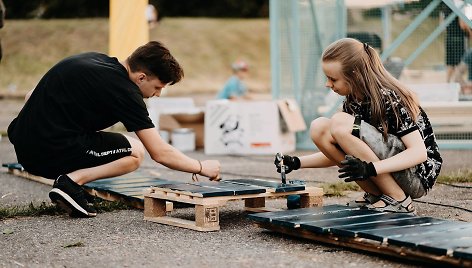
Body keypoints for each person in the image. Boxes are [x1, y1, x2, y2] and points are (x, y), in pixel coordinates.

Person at [8, 41, 221, 218]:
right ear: (141, 77)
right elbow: (159, 152)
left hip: (23, 144)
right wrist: (200, 166)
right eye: (158, 87)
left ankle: (68, 175)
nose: (157, 94)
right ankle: (71, 183)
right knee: (136, 152)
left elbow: (30, 95)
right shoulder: (126, 92)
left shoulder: (94, 59)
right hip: (44, 154)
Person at [274, 38, 442, 214]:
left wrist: (370, 169)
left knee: (339, 122)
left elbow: (419, 153)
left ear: (354, 75)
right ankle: (377, 193)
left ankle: (398, 199)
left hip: (417, 176)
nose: (327, 84)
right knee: (320, 128)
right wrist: (297, 162)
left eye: (333, 79)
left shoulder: (389, 98)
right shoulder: (353, 101)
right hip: (391, 169)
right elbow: (344, 150)